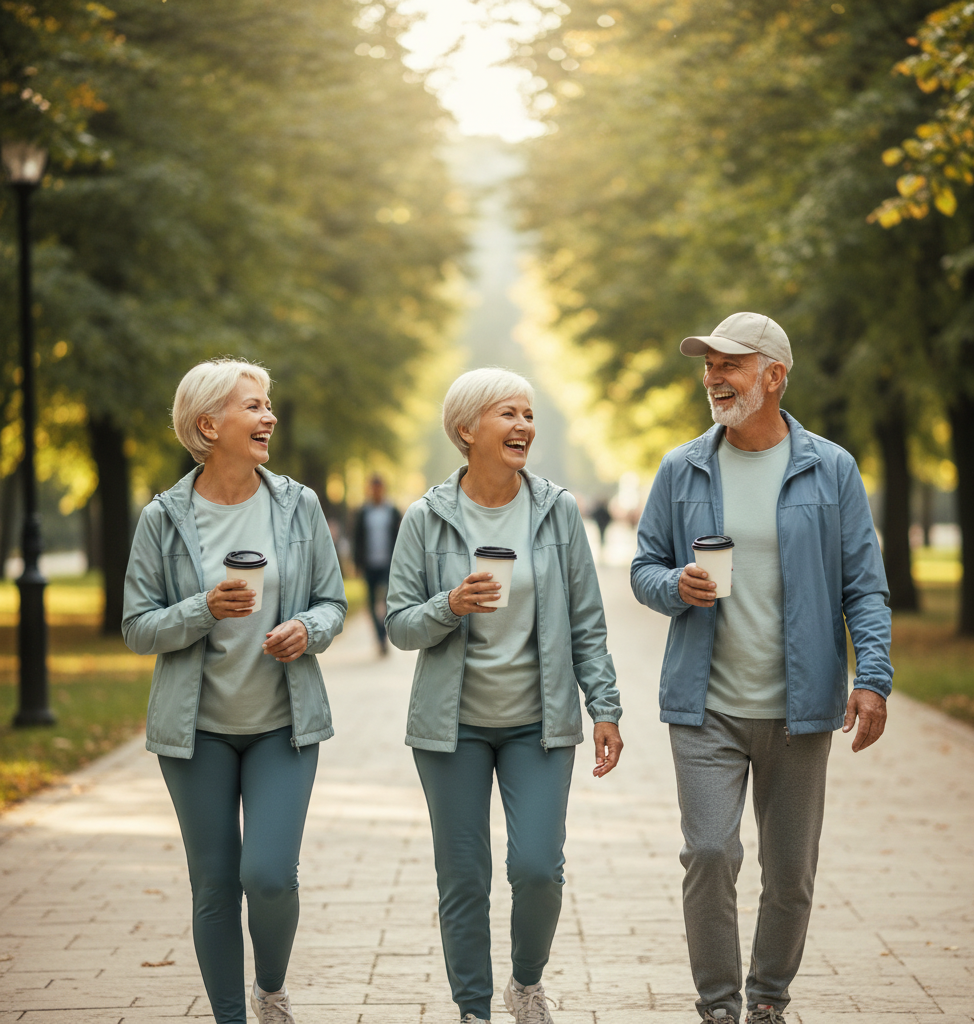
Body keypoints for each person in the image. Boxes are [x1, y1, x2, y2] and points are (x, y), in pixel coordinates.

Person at [630, 313, 893, 1024]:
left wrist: (872, 677)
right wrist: (672, 586)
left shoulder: (829, 468)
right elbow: (642, 566)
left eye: (731, 364)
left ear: (774, 376)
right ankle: (717, 1006)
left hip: (799, 707)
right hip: (704, 702)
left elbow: (863, 584)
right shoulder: (682, 467)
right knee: (710, 853)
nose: (714, 377)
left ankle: (768, 998)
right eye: (708, 365)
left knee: (790, 875)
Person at [385, 367, 624, 1024]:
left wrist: (605, 706)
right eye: (507, 414)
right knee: (464, 878)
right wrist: (449, 603)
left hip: (539, 725)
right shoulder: (427, 518)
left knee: (538, 868)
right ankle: (473, 1009)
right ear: (467, 430)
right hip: (450, 728)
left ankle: (525, 981)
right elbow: (399, 623)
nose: (524, 426)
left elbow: (587, 620)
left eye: (527, 414)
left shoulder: (558, 510)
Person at [122, 358, 347, 1024]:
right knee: (215, 885)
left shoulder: (297, 504)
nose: (269, 416)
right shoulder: (163, 518)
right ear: (209, 424)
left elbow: (333, 602)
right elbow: (138, 628)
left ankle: (271, 991)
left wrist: (307, 628)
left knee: (269, 876)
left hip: (284, 724)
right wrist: (202, 610)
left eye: (268, 404)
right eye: (254, 406)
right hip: (195, 733)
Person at [351, 474, 402, 654]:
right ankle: (380, 637)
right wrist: (356, 564)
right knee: (371, 603)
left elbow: (400, 538)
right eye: (373, 488)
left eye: (378, 488)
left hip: (388, 564)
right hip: (369, 564)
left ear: (383, 489)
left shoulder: (393, 511)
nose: (376, 491)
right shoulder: (363, 512)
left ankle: (384, 632)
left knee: (388, 601)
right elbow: (357, 539)